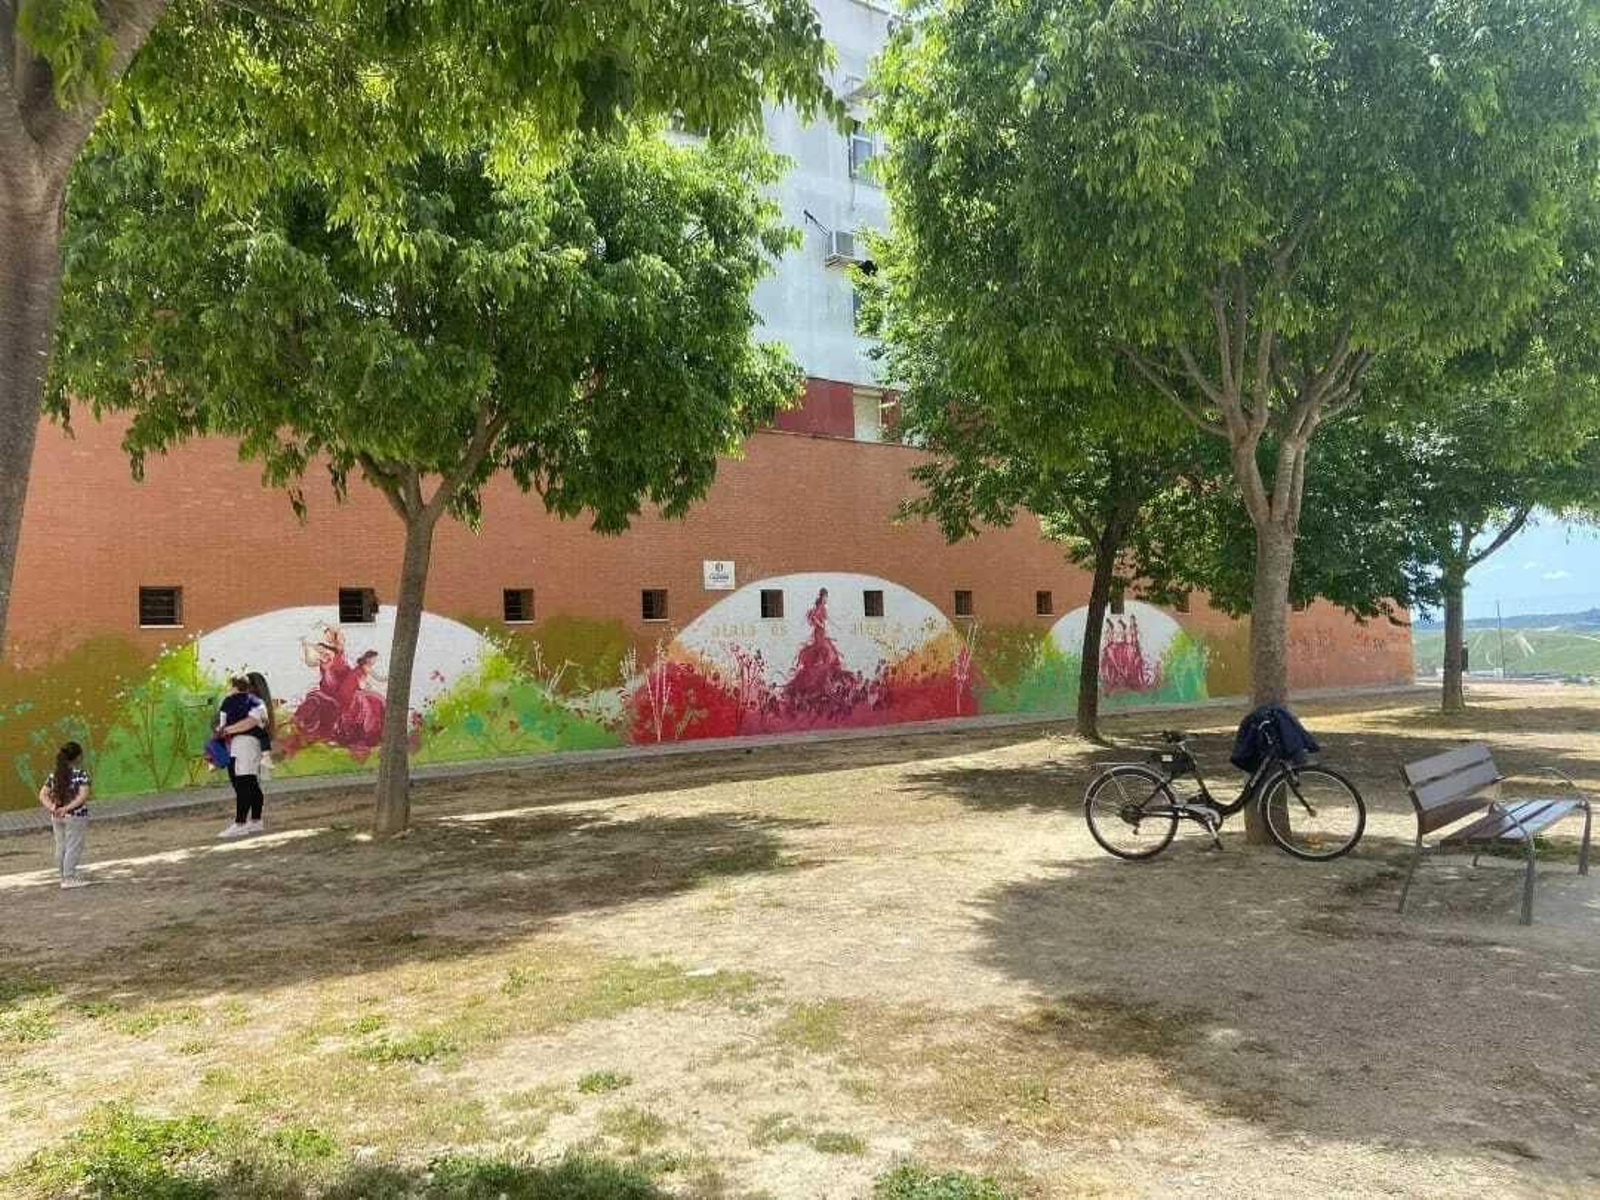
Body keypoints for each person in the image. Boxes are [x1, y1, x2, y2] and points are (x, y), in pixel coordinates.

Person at [216, 676, 271, 838]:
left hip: (244, 744)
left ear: (234, 687)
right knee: (250, 783)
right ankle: (255, 821)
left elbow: (250, 722)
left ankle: (240, 824)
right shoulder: (257, 702)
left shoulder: (248, 702)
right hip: (242, 745)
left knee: (243, 783)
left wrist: (226, 730)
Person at [37, 741, 91, 889]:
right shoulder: (81, 775)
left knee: (61, 846)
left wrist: (54, 808)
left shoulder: (54, 775)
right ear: (78, 757)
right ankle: (69, 877)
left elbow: (42, 795)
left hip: (57, 816)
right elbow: (82, 796)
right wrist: (67, 808)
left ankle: (64, 875)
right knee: (74, 846)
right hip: (75, 816)